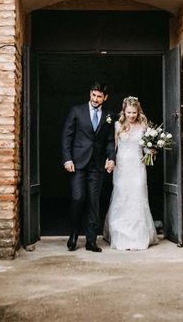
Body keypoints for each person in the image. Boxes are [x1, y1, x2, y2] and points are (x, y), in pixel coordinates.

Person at [61, 81, 116, 252]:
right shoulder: (76, 111)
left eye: (99, 96)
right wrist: (67, 158)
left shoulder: (109, 115)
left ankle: (91, 241)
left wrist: (111, 158)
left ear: (105, 98)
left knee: (94, 202)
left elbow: (110, 141)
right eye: (93, 95)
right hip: (77, 164)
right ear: (90, 94)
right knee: (78, 198)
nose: (95, 99)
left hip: (97, 165)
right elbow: (66, 136)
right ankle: (74, 235)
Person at [103, 97, 158, 250]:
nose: (132, 115)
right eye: (129, 112)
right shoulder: (117, 125)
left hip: (138, 165)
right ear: (124, 111)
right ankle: (121, 235)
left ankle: (138, 236)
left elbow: (146, 147)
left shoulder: (143, 125)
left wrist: (151, 150)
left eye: (134, 112)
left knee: (138, 196)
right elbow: (113, 147)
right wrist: (110, 160)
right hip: (121, 167)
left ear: (138, 111)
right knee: (122, 196)